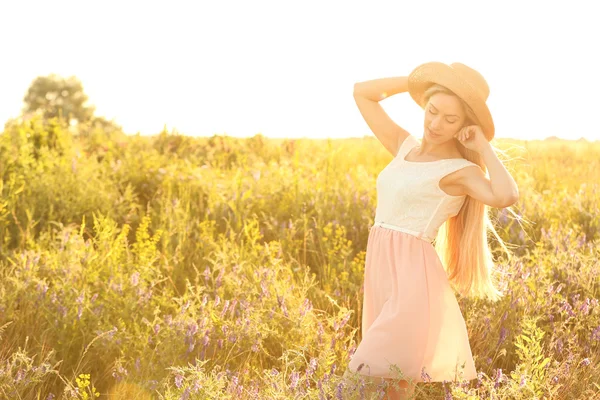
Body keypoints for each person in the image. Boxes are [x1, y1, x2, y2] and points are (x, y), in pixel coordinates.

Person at [343, 62, 520, 399]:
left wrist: (484, 147)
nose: (436, 124)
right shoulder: (404, 146)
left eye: (450, 119)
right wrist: (417, 83)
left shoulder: (460, 170)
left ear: (464, 126)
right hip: (381, 272)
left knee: (369, 376)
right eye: (432, 110)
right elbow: (362, 93)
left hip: (413, 280)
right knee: (394, 382)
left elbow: (506, 195)